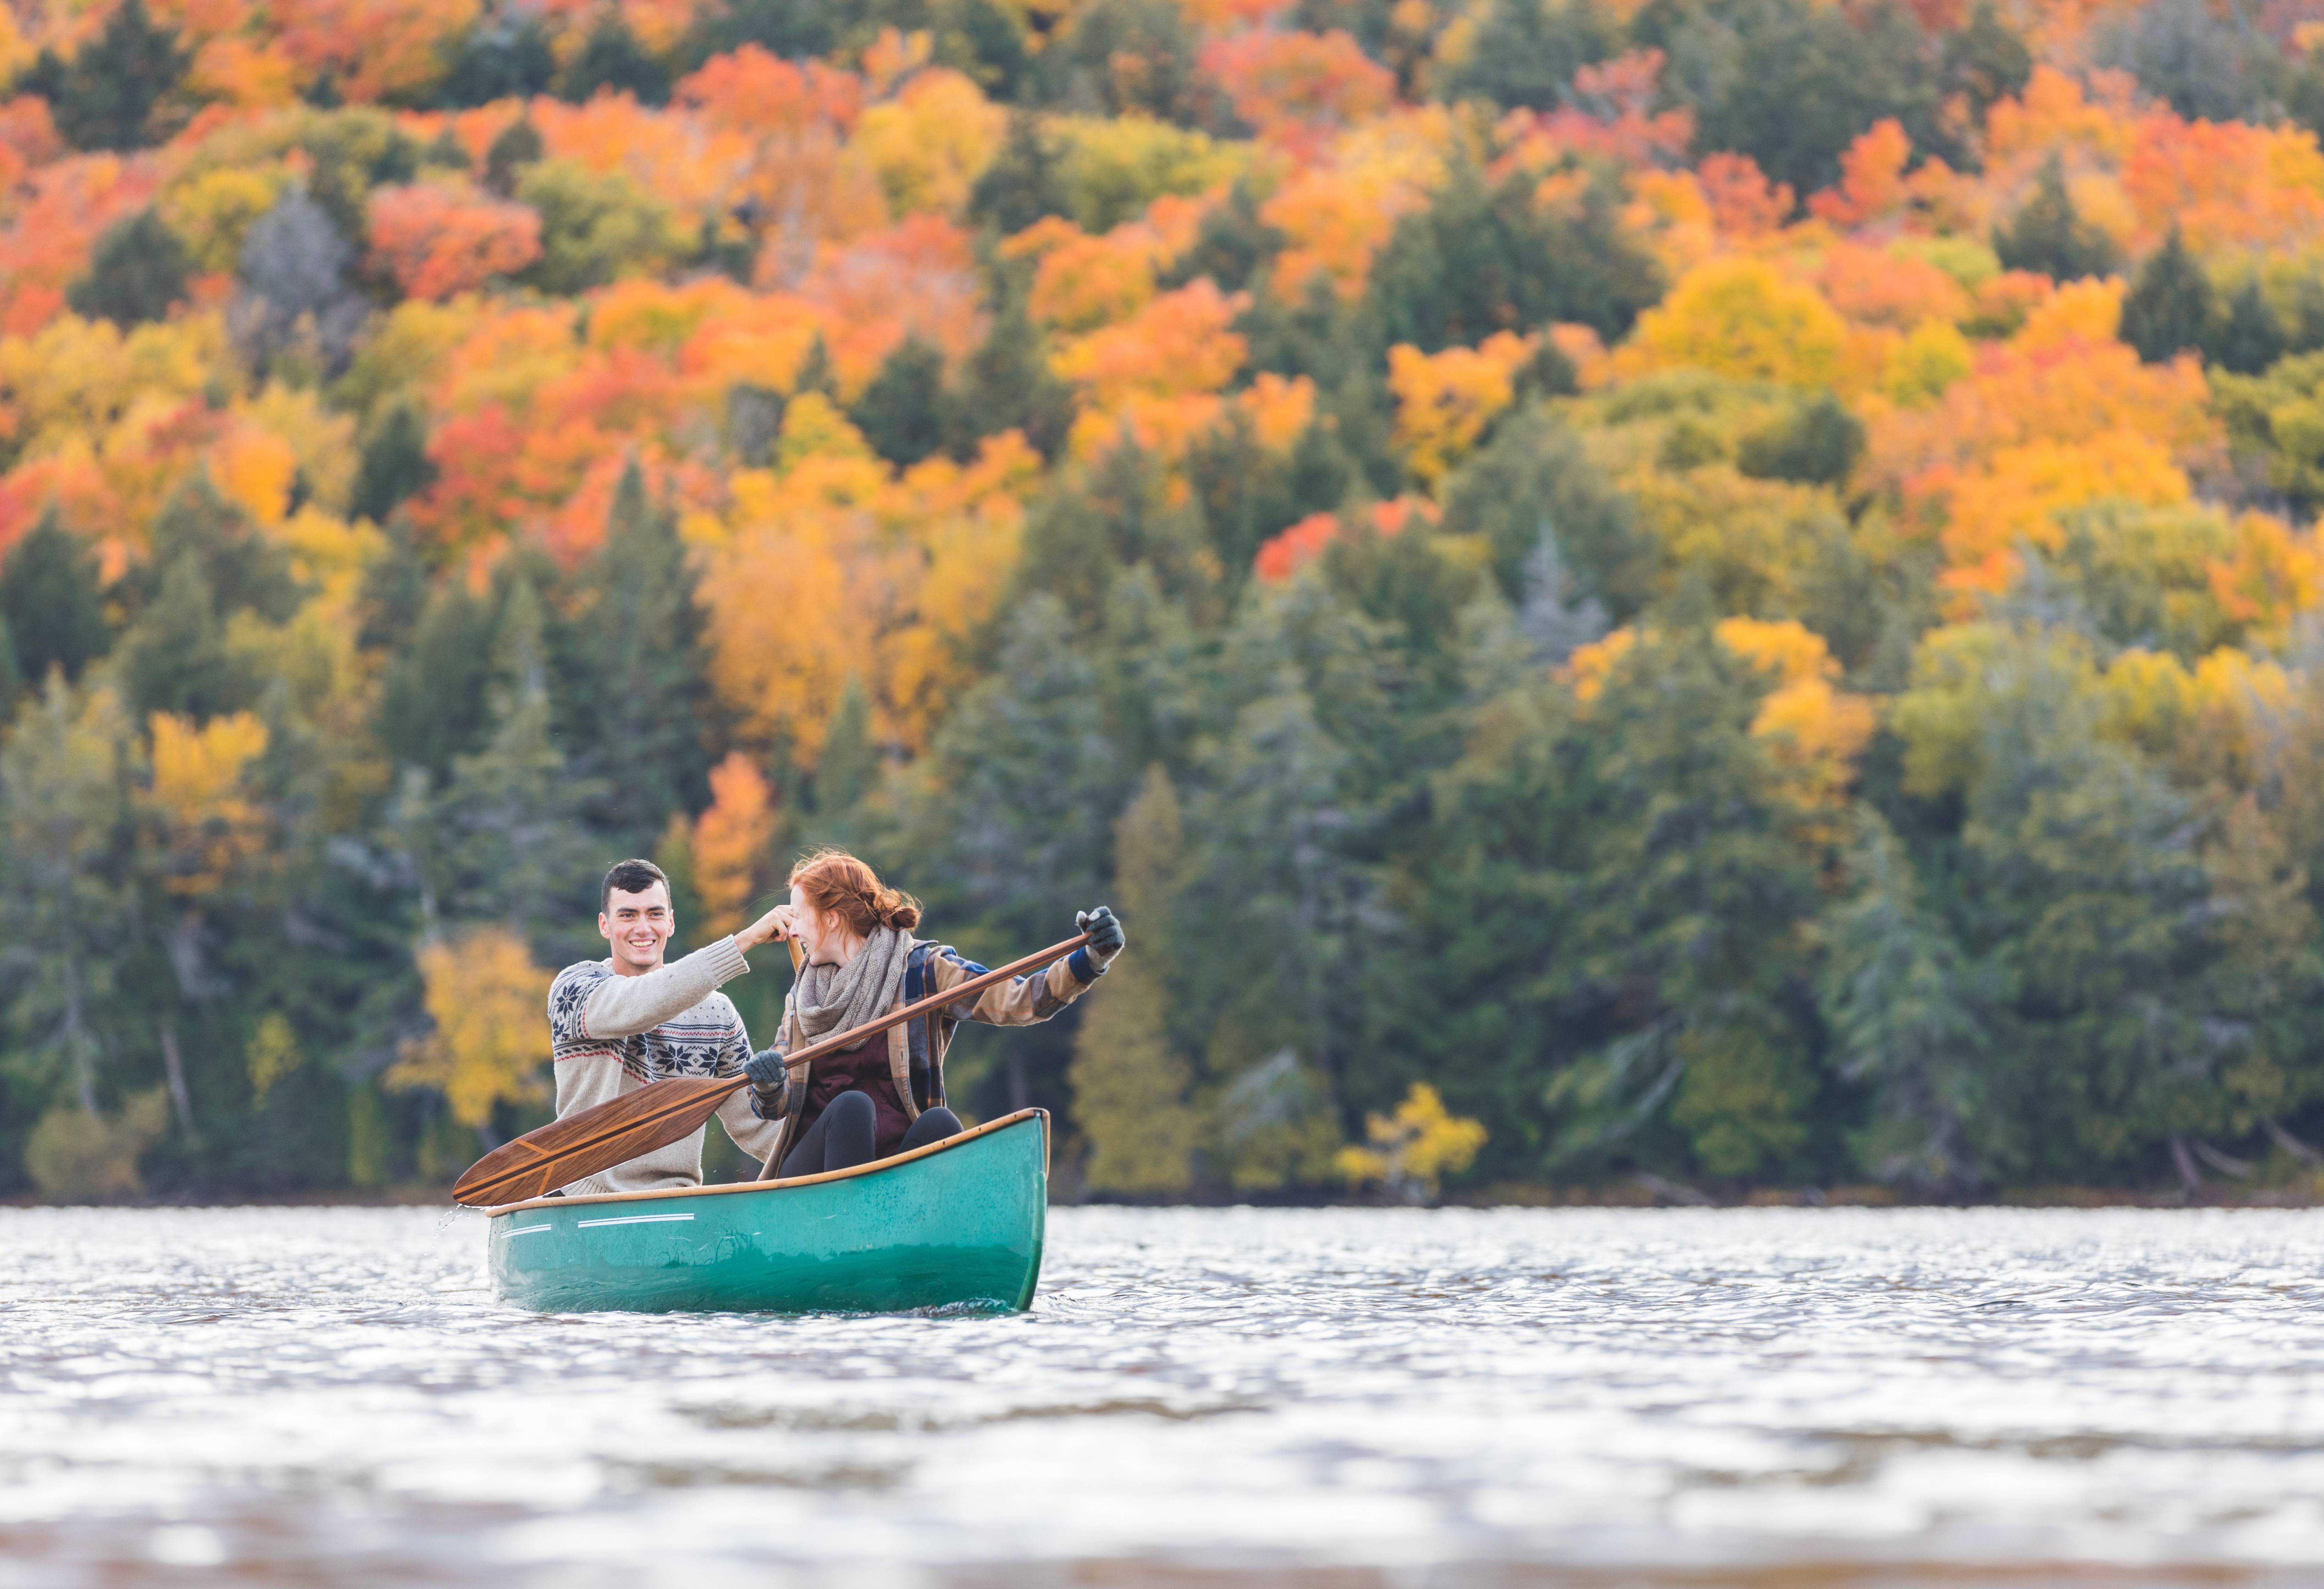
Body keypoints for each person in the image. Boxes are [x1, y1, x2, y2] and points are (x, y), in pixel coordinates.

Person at [742, 849, 1126, 1178]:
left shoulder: (924, 970)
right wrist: (768, 1083)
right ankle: (850, 1242)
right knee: (852, 1106)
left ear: (831, 918)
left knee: (940, 1124)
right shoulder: (803, 998)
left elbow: (1020, 1001)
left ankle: (919, 1240)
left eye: (799, 916)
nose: (792, 933)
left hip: (891, 1170)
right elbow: (775, 1106)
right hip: (812, 1183)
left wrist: (1089, 959)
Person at [545, 857, 795, 1196]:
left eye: (655, 914)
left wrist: (771, 1094)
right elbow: (643, 1003)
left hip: (677, 1200)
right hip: (584, 1197)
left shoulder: (717, 1013)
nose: (643, 928)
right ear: (605, 925)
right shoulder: (575, 990)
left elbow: (757, 1128)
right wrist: (745, 941)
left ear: (671, 923)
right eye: (628, 915)